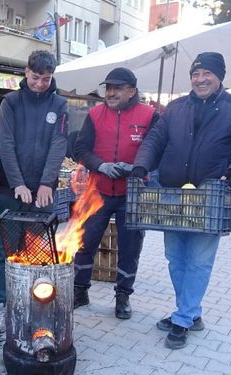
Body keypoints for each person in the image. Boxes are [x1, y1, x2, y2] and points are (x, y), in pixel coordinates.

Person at [131, 52, 231, 349]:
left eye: (207, 73)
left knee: (199, 261)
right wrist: (142, 164)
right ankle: (191, 313)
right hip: (172, 197)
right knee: (175, 258)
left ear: (219, 76)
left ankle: (183, 318)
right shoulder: (176, 108)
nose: (200, 79)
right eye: (195, 74)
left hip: (210, 197)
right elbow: (155, 140)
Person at [0, 50, 69, 333]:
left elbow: (59, 144)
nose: (39, 84)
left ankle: (37, 304)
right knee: (5, 250)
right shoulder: (10, 102)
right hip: (10, 189)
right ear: (26, 72)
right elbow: (6, 144)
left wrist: (47, 183)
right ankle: (0, 304)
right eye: (35, 77)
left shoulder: (60, 105)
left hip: (43, 194)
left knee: (40, 253)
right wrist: (18, 183)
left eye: (45, 79)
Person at [72, 67, 160, 320]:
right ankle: (80, 290)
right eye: (108, 88)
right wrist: (100, 165)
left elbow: (157, 150)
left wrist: (137, 168)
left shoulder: (149, 115)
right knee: (85, 242)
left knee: (130, 247)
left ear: (132, 91)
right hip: (98, 190)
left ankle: (123, 296)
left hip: (132, 192)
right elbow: (81, 148)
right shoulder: (95, 114)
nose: (110, 93)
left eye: (117, 88)